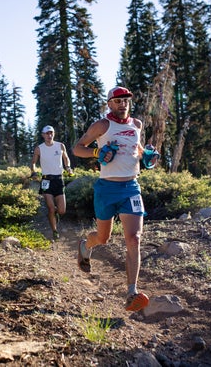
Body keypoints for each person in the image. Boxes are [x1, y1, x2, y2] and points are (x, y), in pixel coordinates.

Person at [72, 86, 159, 312]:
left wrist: (147, 156)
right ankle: (85, 245)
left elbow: (137, 149)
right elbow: (77, 149)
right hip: (106, 189)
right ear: (109, 103)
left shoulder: (136, 125)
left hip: (131, 187)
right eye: (118, 101)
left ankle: (132, 292)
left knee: (134, 239)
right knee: (103, 238)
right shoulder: (102, 126)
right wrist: (95, 153)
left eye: (126, 101)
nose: (123, 104)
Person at [31, 125, 74, 239]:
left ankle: (55, 215)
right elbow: (33, 162)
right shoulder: (39, 148)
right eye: (47, 133)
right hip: (46, 180)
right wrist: (34, 172)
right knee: (50, 207)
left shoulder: (60, 146)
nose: (49, 135)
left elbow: (66, 158)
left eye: (51, 133)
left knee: (62, 210)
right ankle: (54, 231)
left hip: (59, 179)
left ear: (53, 134)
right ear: (43, 135)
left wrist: (68, 167)